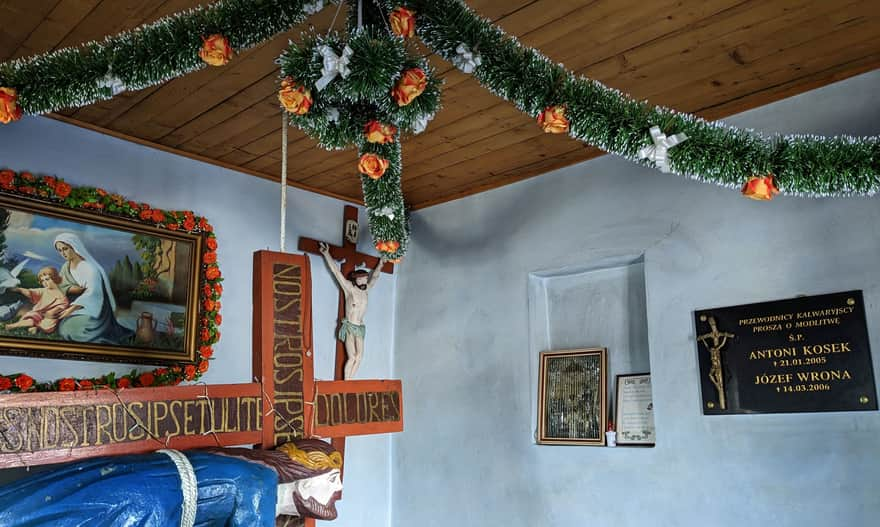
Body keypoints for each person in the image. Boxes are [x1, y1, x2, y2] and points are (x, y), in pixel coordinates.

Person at [0, 439, 343, 526]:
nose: (337, 495)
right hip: (145, 506)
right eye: (332, 481)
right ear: (306, 476)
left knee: (45, 504)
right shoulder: (261, 486)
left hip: (142, 478)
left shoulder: (251, 467)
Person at [319, 241, 387, 379]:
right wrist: (327, 254)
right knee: (352, 357)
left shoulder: (366, 289)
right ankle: (346, 382)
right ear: (356, 280)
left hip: (360, 328)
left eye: (364, 278)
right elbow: (336, 272)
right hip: (350, 326)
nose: (363, 281)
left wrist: (381, 263)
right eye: (361, 279)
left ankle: (351, 381)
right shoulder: (349, 288)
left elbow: (375, 277)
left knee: (360, 357)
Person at [53, 232, 133, 344]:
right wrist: (70, 291)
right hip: (70, 306)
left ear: (74, 247)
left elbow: (92, 294)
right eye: (60, 250)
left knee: (68, 329)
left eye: (65, 249)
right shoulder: (65, 267)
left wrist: (69, 310)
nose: (63, 253)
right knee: (58, 323)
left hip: (93, 311)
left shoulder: (89, 268)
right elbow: (61, 286)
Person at [3, 266, 69, 334]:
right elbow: (32, 292)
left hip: (50, 317)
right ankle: (12, 326)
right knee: (31, 319)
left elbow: (62, 306)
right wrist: (19, 289)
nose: (45, 282)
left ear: (55, 279)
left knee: (47, 324)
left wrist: (53, 312)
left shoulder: (62, 296)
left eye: (47, 279)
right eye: (42, 280)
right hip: (38, 313)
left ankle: (36, 328)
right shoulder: (44, 291)